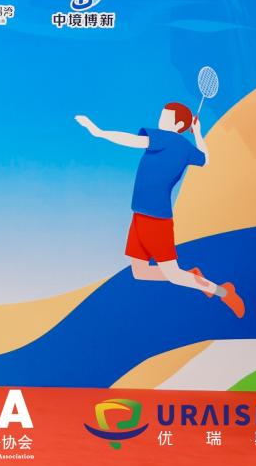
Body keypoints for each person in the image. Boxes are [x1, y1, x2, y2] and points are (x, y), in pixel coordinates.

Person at [76, 103, 244, 317]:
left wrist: (98, 132)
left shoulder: (165, 138)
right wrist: (198, 133)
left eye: (165, 117)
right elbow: (205, 159)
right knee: (140, 272)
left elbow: (132, 140)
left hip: (155, 218)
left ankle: (223, 291)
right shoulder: (186, 148)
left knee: (173, 275)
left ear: (178, 124)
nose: (160, 119)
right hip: (140, 214)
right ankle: (191, 276)